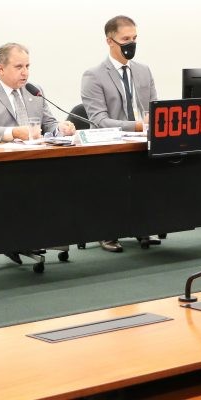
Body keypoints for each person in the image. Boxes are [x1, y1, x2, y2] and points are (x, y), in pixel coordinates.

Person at [81, 15, 158, 252]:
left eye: (134, 38)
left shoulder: (143, 71)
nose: (131, 44)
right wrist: (136, 126)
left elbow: (155, 106)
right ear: (110, 41)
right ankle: (108, 230)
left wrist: (153, 121)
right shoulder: (93, 75)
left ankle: (143, 225)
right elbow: (99, 120)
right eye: (126, 39)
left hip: (142, 141)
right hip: (110, 143)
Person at [0, 42, 75, 142]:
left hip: (37, 154)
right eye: (19, 67)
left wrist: (60, 129)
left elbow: (48, 124)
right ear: (1, 69)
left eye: (27, 66)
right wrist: (14, 133)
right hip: (0, 158)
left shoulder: (34, 90)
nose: (25, 72)